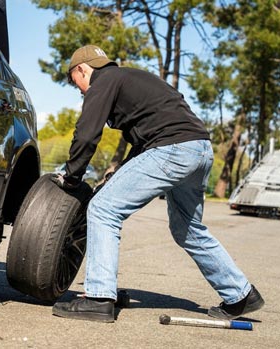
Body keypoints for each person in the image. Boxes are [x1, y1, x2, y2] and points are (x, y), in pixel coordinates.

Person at [50, 44, 264, 323]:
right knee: (187, 228)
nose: (78, 89)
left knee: (102, 210)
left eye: (74, 81)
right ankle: (240, 295)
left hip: (172, 149)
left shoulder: (103, 81)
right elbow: (145, 139)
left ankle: (99, 298)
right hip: (198, 149)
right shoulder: (133, 78)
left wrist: (72, 176)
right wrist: (118, 176)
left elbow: (87, 133)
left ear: (82, 69)